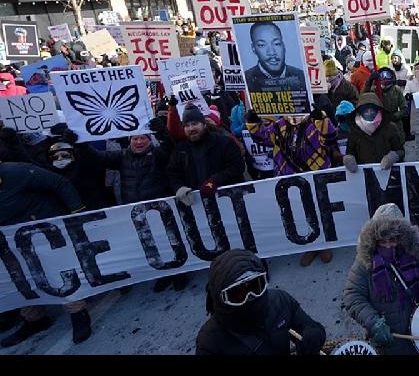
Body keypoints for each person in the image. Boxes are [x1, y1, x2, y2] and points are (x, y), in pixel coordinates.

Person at [0, 157, 92, 347]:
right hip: (9, 240)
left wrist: (78, 215)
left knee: (58, 273)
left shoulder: (17, 171)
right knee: (18, 279)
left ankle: (77, 312)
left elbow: (59, 183)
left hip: (42, 231)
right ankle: (34, 319)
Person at [343, 203, 419, 355]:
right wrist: (373, 322)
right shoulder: (365, 261)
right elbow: (352, 296)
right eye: (382, 241)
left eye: (392, 240)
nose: (387, 246)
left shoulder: (416, 250)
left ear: (403, 237)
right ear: (373, 239)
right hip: (389, 339)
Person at [196, 249, 326, 355]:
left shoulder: (281, 302)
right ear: (220, 299)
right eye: (237, 294)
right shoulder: (209, 341)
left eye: (255, 286)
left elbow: (311, 326)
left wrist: (313, 334)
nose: (250, 297)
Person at [250, 109, 337, 266]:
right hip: (289, 176)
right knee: (300, 211)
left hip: (315, 174)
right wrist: (252, 121)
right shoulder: (279, 125)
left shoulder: (314, 119)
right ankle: (311, 246)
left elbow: (330, 138)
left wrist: (321, 119)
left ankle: (325, 244)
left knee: (320, 208)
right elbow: (263, 139)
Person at [167, 105, 245, 207]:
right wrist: (179, 187)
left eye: (195, 124)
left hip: (227, 200)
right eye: (187, 125)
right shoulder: (180, 150)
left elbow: (237, 166)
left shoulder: (223, 142)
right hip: (197, 205)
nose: (191, 128)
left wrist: (215, 180)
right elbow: (173, 173)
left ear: (204, 124)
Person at [343, 92, 405, 172]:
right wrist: (349, 159)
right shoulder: (354, 130)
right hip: (364, 175)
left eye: (372, 109)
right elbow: (350, 151)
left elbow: (400, 150)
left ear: (378, 110)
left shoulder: (390, 127)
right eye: (366, 110)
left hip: (388, 174)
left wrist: (392, 157)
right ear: (360, 112)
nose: (369, 113)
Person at [243, 21, 307, 91]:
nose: (271, 52)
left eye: (276, 44)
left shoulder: (303, 77)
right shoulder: (245, 80)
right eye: (262, 45)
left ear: (283, 45)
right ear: (253, 49)